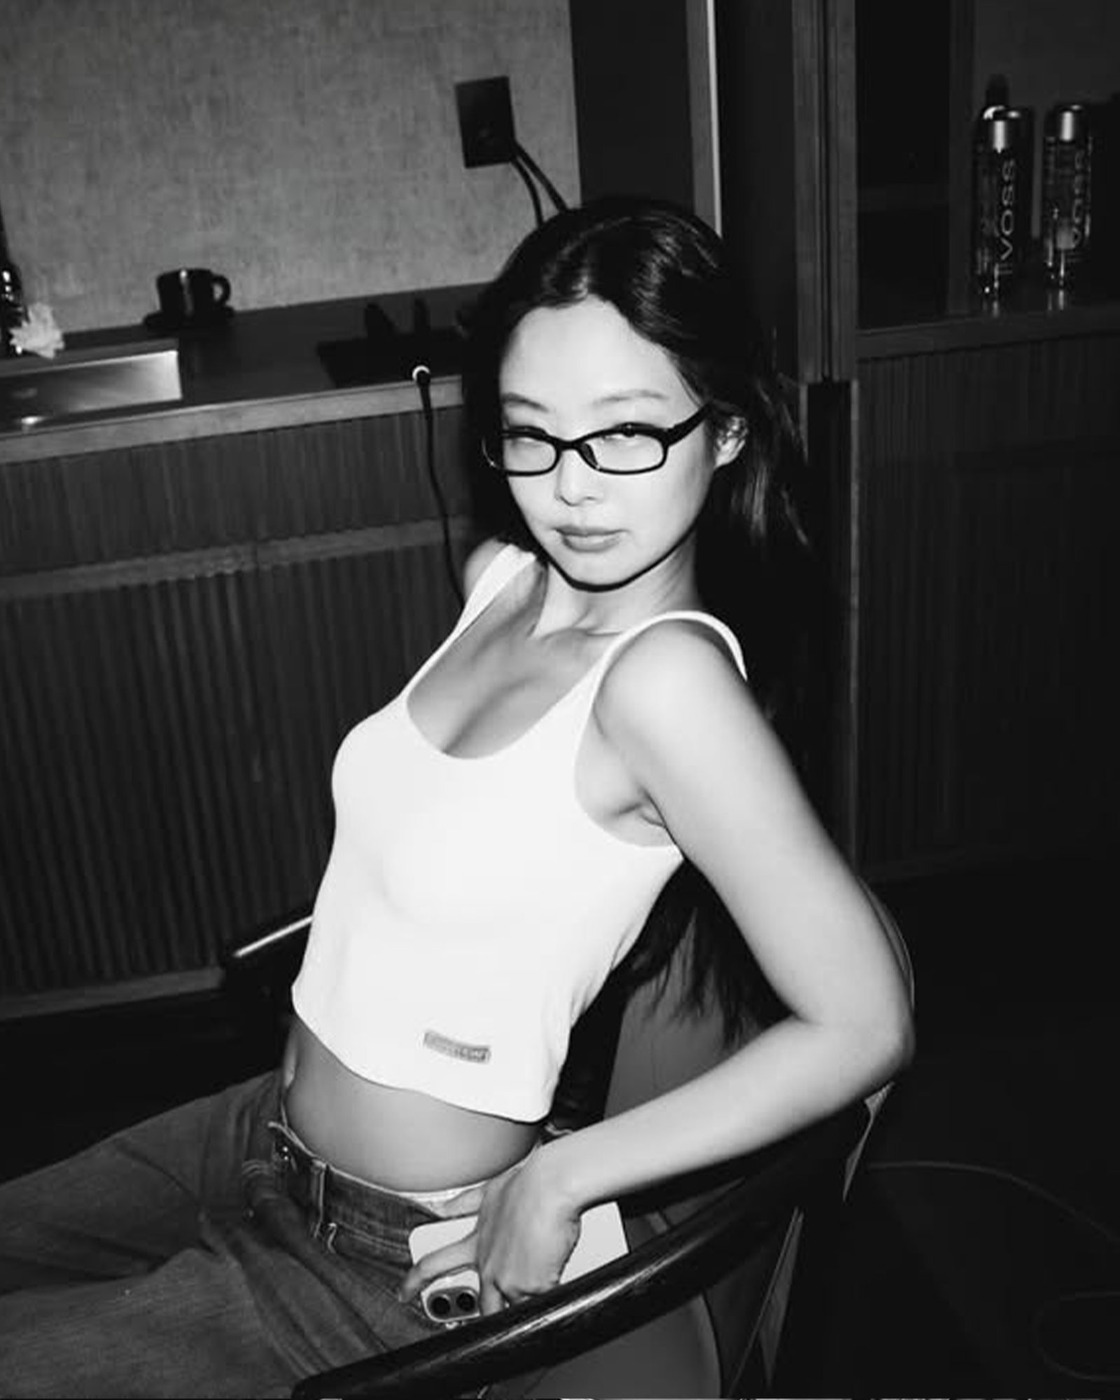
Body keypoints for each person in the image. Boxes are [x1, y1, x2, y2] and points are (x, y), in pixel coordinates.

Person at [0, 196, 914, 1397]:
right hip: (257, 1135)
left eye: (625, 432)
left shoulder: (669, 687)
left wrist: (564, 1174)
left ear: (729, 428)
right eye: (530, 434)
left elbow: (865, 1021)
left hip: (380, 1258)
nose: (570, 486)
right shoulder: (503, 578)